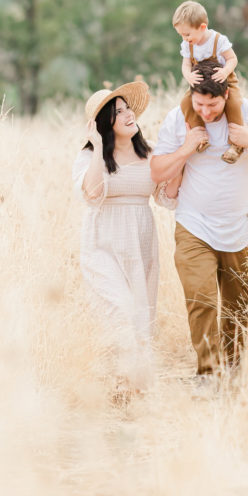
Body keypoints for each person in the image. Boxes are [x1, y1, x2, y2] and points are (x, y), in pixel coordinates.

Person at [150, 58, 248, 379]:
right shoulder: (178, 119)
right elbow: (157, 171)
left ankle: (233, 368)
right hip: (194, 225)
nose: (206, 111)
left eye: (212, 104)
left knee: (236, 306)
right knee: (200, 299)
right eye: (199, 103)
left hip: (242, 227)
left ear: (226, 95)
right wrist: (186, 147)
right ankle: (208, 373)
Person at [72, 79, 179, 401]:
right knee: (119, 310)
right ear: (106, 123)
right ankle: (119, 380)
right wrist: (96, 146)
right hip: (102, 243)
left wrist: (182, 160)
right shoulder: (90, 158)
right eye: (119, 113)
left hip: (140, 241)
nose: (129, 115)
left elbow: (168, 197)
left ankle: (133, 386)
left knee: (140, 313)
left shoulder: (151, 155)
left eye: (128, 108)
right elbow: (91, 194)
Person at [172, 0, 244, 164]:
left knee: (234, 103)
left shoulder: (218, 40)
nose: (184, 38)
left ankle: (236, 144)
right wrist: (188, 76)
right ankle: (199, 135)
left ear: (202, 27)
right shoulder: (187, 45)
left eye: (187, 34)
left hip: (223, 79)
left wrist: (225, 71)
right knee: (185, 102)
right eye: (181, 35)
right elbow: (186, 64)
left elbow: (232, 59)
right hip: (200, 82)